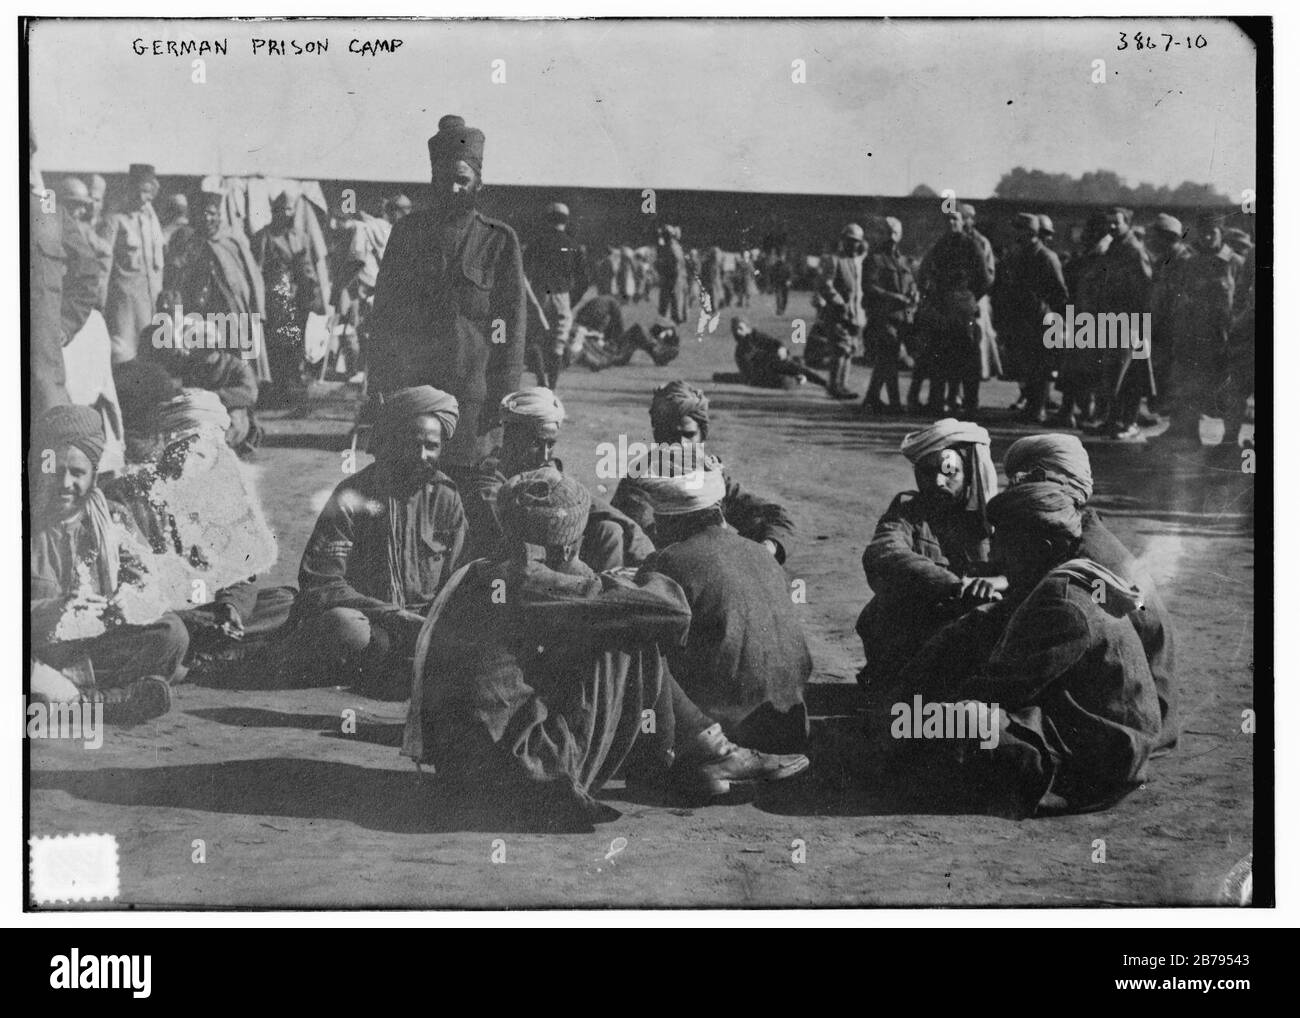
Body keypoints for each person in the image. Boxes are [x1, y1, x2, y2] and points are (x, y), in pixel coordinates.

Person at [403, 467, 810, 829]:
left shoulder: (488, 573)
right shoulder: (533, 582)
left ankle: (700, 753)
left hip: (466, 772)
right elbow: (670, 610)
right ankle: (703, 754)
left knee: (612, 621)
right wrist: (622, 582)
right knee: (630, 629)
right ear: (566, 546)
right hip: (519, 774)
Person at [895, 482, 1161, 817]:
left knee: (954, 723)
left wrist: (918, 714)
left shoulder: (1065, 603)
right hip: (1086, 731)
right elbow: (987, 626)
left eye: (1004, 539)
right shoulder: (1059, 578)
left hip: (1099, 762)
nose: (992, 553)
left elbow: (998, 688)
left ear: (1043, 546)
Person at [366, 114, 526, 493]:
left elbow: (508, 328)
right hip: (412, 398)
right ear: (432, 181)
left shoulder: (499, 242)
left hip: (473, 402)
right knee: (405, 496)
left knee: (469, 499)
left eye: (462, 180)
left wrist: (503, 397)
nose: (453, 189)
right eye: (444, 180)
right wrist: (380, 387)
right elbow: (385, 318)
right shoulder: (407, 235)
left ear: (478, 183)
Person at [1003, 434, 1178, 752]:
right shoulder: (1082, 531)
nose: (1013, 490)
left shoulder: (1089, 555)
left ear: (1048, 482)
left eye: (1020, 481)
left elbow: (1112, 629)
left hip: (1136, 713)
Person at [292, 386, 466, 698]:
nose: (422, 456)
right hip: (372, 621)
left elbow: (460, 579)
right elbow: (322, 582)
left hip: (422, 626)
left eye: (432, 447)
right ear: (391, 440)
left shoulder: (446, 499)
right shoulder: (352, 495)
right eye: (413, 444)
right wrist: (390, 614)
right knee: (345, 627)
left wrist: (436, 623)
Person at [636, 455, 811, 753]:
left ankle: (686, 754)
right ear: (718, 510)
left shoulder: (667, 561)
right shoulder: (761, 553)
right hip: (792, 727)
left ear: (669, 520)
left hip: (728, 731)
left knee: (636, 646)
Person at [29, 405, 187, 722]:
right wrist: (56, 609)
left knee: (171, 633)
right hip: (38, 648)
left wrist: (126, 602)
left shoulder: (112, 518)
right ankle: (100, 702)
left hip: (91, 647)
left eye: (77, 473)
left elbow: (148, 585)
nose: (65, 483)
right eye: (56, 471)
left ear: (93, 475)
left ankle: (67, 700)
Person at [855, 418, 1003, 688]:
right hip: (923, 627)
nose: (937, 481)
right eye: (926, 471)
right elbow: (884, 552)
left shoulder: (1002, 520)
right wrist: (953, 586)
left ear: (970, 470)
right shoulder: (907, 512)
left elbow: (1033, 570)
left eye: (949, 471)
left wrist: (998, 583)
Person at [461, 387, 654, 570]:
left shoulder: (542, 469)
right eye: (536, 443)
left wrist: (637, 537)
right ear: (510, 437)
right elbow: (511, 545)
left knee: (610, 530)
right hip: (514, 567)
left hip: (552, 557)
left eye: (550, 444)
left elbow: (588, 504)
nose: (545, 456)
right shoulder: (489, 484)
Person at [612, 380, 796, 563]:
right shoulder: (641, 480)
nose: (681, 444)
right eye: (670, 435)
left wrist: (767, 548)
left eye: (689, 435)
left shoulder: (710, 475)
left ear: (702, 435)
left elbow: (776, 517)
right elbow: (641, 545)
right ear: (657, 435)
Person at [59, 177, 126, 475]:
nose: (78, 212)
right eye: (71, 205)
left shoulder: (86, 234)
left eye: (82, 207)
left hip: (85, 321)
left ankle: (106, 463)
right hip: (60, 321)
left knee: (99, 395)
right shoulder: (46, 228)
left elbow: (92, 273)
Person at [1151, 213, 1236, 446]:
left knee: (1226, 390)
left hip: (1223, 338)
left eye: (1213, 232)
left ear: (1222, 234)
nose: (1207, 237)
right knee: (1185, 385)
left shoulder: (1234, 262)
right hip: (1192, 335)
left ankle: (1229, 441)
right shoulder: (1191, 263)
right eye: (1203, 233)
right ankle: (1185, 433)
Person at [173, 187, 271, 383]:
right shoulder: (189, 243)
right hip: (202, 314)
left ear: (219, 216)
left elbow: (252, 279)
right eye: (202, 214)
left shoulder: (232, 242)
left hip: (233, 312)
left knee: (238, 358)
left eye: (212, 213)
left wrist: (256, 312)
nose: (207, 218)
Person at [914, 208, 995, 415]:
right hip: (942, 309)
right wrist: (931, 295)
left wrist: (969, 298)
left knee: (968, 356)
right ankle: (938, 402)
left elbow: (985, 279)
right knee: (940, 355)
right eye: (948, 219)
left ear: (963, 222)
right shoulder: (940, 246)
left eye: (955, 219)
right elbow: (923, 274)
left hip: (964, 311)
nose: (951, 223)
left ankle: (969, 403)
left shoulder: (972, 246)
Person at [992, 213, 1068, 424]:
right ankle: (1032, 406)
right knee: (1027, 364)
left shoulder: (1046, 257)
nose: (1014, 234)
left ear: (1029, 232)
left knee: (1042, 366)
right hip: (1021, 317)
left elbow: (1060, 292)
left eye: (1018, 229)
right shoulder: (1018, 255)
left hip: (1041, 317)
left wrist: (1055, 318)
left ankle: (1039, 409)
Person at [252, 190, 326, 406]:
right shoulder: (264, 237)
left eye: (289, 209)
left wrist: (314, 297)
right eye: (281, 209)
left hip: (298, 300)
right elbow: (257, 270)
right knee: (276, 347)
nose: (286, 213)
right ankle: (276, 391)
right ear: (274, 211)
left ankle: (293, 389)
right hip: (275, 300)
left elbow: (309, 268)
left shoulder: (301, 236)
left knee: (295, 346)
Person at [1094, 207, 1153, 441]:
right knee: (1112, 373)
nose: (1111, 227)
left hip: (1130, 320)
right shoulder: (1113, 248)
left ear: (1127, 223)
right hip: (1112, 318)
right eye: (1108, 223)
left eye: (1116, 223)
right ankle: (1112, 420)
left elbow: (1147, 286)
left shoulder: (1134, 250)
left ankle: (1129, 423)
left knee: (1132, 375)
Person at [101, 164, 167, 365]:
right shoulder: (114, 220)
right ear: (129, 190)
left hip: (151, 302)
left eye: (147, 193)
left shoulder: (151, 219)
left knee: (152, 357)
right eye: (137, 192)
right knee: (124, 357)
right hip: (125, 305)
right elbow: (103, 265)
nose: (142, 197)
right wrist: (101, 304)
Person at [522, 201, 588, 391]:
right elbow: (584, 280)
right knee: (557, 343)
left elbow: (523, 271)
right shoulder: (573, 245)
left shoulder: (536, 242)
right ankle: (552, 388)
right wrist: (571, 300)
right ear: (566, 221)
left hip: (539, 295)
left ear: (547, 219)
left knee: (534, 338)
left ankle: (541, 381)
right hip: (562, 295)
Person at [862, 216, 919, 413]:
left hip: (902, 317)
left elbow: (911, 283)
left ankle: (871, 398)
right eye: (888, 232)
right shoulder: (874, 259)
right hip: (882, 316)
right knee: (891, 356)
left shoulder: (903, 261)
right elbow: (869, 287)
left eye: (895, 233)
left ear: (900, 235)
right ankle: (894, 403)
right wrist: (894, 297)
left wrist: (913, 292)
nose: (891, 237)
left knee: (886, 359)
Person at [814, 223, 869, 399]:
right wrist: (838, 301)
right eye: (850, 240)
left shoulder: (859, 262)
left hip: (856, 315)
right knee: (840, 350)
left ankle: (842, 385)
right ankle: (835, 385)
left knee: (850, 350)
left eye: (856, 241)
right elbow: (825, 285)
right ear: (843, 240)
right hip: (838, 314)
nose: (853, 244)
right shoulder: (834, 260)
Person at [723, 317, 827, 390]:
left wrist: (781, 348)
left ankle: (824, 383)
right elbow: (749, 373)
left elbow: (774, 342)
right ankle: (799, 379)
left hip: (777, 363)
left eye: (740, 328)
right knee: (783, 381)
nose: (738, 332)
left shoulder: (756, 336)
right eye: (735, 329)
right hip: (765, 373)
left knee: (797, 368)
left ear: (747, 328)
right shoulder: (741, 350)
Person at [656, 224, 689, 325]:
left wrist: (661, 266)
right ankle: (677, 317)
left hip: (673, 276)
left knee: (674, 298)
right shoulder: (674, 246)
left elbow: (674, 262)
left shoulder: (671, 247)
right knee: (675, 298)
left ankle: (676, 319)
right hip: (677, 276)